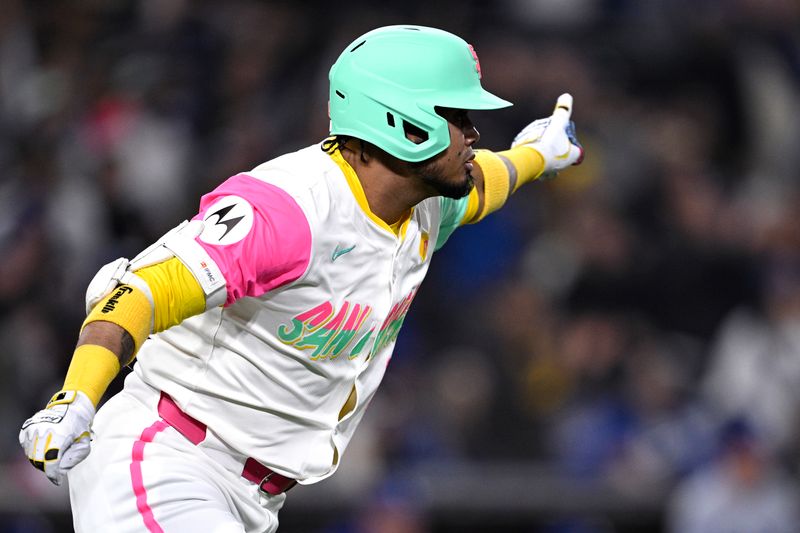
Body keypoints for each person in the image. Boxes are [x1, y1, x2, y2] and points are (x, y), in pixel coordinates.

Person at [19, 25, 583, 532]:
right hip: (169, 458)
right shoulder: (291, 210)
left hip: (252, 494)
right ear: (404, 123)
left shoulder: (429, 202)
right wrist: (76, 396)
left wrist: (538, 153)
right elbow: (140, 290)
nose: (473, 133)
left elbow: (491, 179)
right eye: (456, 116)